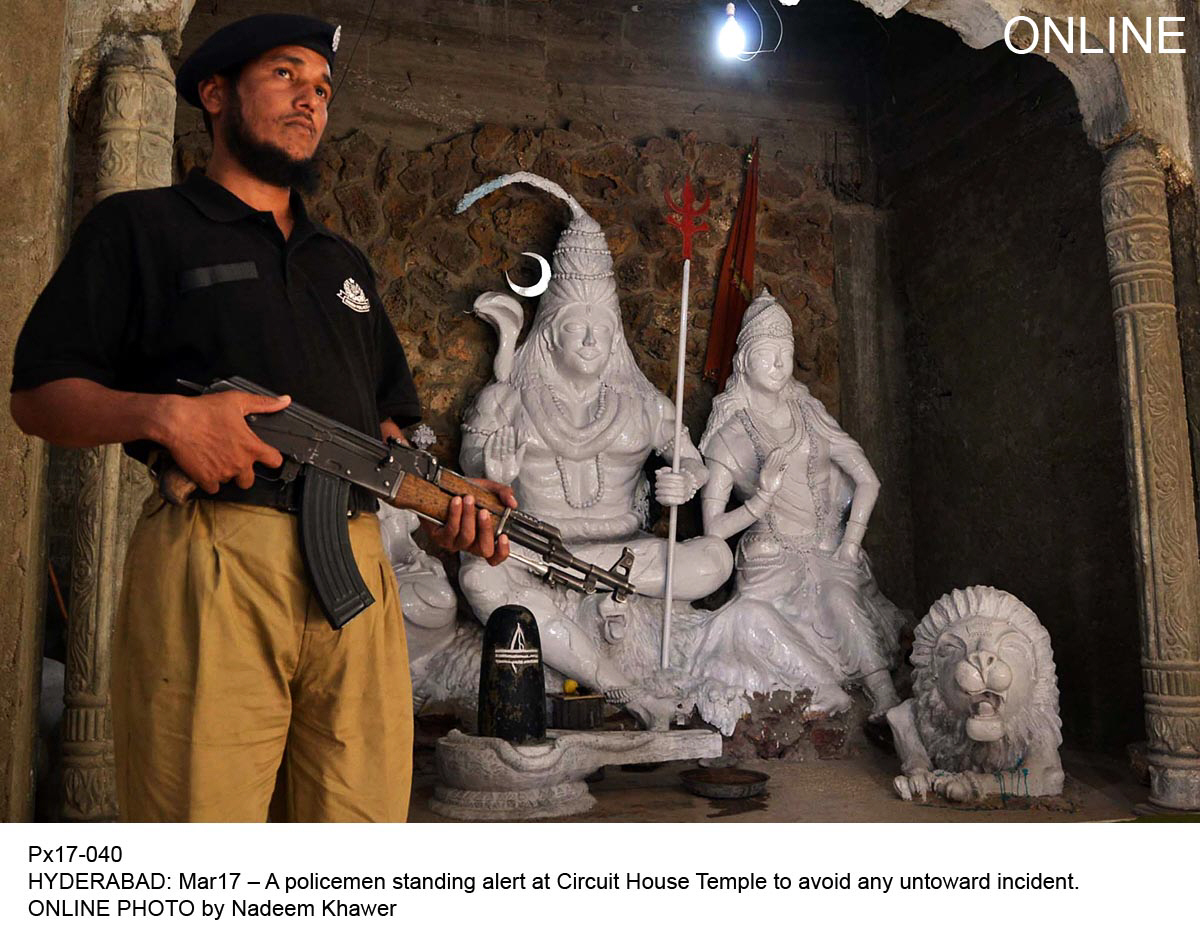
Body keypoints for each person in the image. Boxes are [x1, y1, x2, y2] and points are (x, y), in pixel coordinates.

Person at [9, 13, 513, 821]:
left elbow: (390, 429)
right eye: (285, 75)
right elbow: (37, 396)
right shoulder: (143, 228)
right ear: (214, 93)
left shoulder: (341, 264)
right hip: (217, 559)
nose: (310, 99)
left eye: (322, 87)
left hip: (354, 571)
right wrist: (169, 419)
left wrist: (445, 501)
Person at [455, 173, 733, 725]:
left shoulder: (645, 402)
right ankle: (622, 687)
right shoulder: (506, 398)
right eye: (577, 327)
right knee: (478, 577)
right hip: (537, 552)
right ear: (552, 332)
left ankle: (607, 623)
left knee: (717, 559)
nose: (589, 340)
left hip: (621, 555)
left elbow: (691, 459)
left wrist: (689, 479)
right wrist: (493, 470)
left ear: (615, 336)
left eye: (601, 329)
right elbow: (467, 474)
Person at [695, 290, 904, 719]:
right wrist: (762, 499)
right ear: (743, 360)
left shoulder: (812, 416)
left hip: (826, 547)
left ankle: (885, 696)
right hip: (767, 559)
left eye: (784, 354)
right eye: (766, 353)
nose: (776, 364)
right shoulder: (727, 437)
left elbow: (867, 478)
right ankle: (825, 689)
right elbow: (713, 529)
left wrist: (851, 541)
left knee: (839, 601)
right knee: (751, 618)